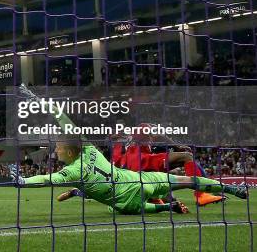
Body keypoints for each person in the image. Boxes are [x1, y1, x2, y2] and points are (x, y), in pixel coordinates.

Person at [12, 85, 246, 215]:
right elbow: (62, 117)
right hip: (141, 179)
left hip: (128, 197)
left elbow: (46, 178)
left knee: (138, 206)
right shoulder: (90, 149)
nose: (57, 151)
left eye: (59, 148)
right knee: (186, 180)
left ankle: (168, 206)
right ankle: (230, 189)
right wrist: (38, 100)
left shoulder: (71, 172)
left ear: (71, 152)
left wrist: (23, 182)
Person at [58, 130, 223, 207]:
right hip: (142, 164)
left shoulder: (122, 145)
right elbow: (162, 135)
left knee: (102, 190)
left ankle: (75, 191)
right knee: (186, 157)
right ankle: (201, 194)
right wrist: (178, 145)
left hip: (131, 172)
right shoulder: (137, 135)